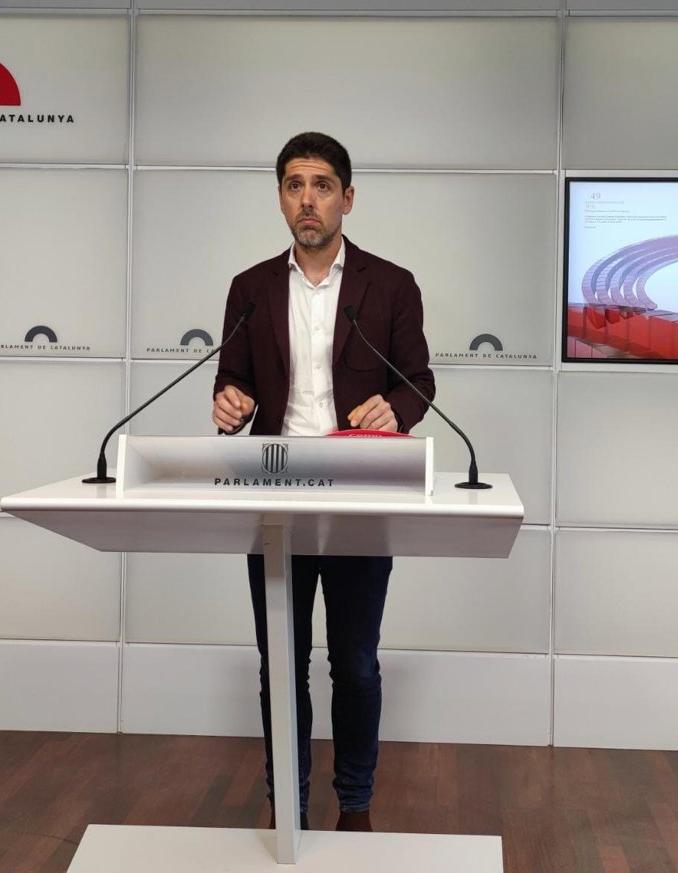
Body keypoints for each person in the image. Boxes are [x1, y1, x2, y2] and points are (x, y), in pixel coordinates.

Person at [212, 132, 435, 832]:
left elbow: (418, 381)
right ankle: (291, 804)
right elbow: (232, 376)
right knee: (280, 662)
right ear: (281, 197)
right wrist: (229, 400)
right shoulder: (250, 289)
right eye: (294, 185)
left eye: (322, 185)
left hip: (357, 490)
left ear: (347, 198)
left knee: (355, 663)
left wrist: (396, 409)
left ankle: (356, 806)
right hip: (273, 494)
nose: (307, 199)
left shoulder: (391, 285)